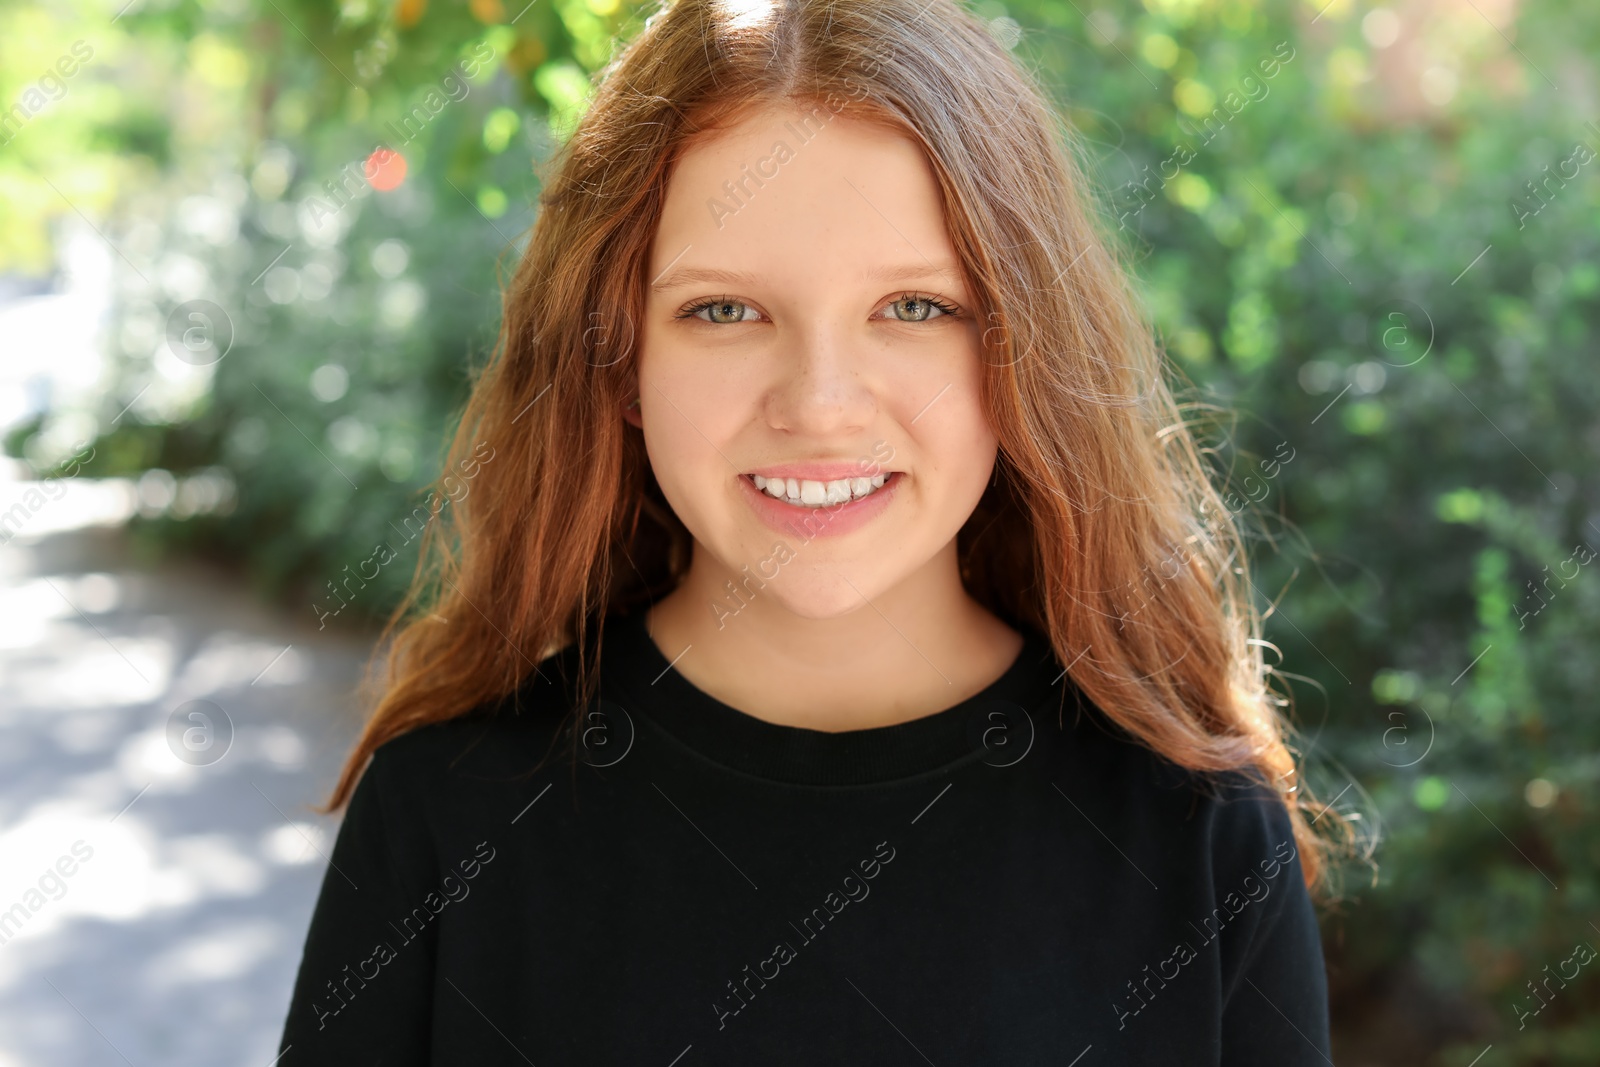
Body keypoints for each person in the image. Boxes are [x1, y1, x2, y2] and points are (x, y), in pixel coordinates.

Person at [278, 0, 1343, 1062]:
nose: (820, 404)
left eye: (916, 307)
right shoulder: (445, 818)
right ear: (619, 361)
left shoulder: (1198, 838)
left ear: (1022, 350)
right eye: (725, 310)